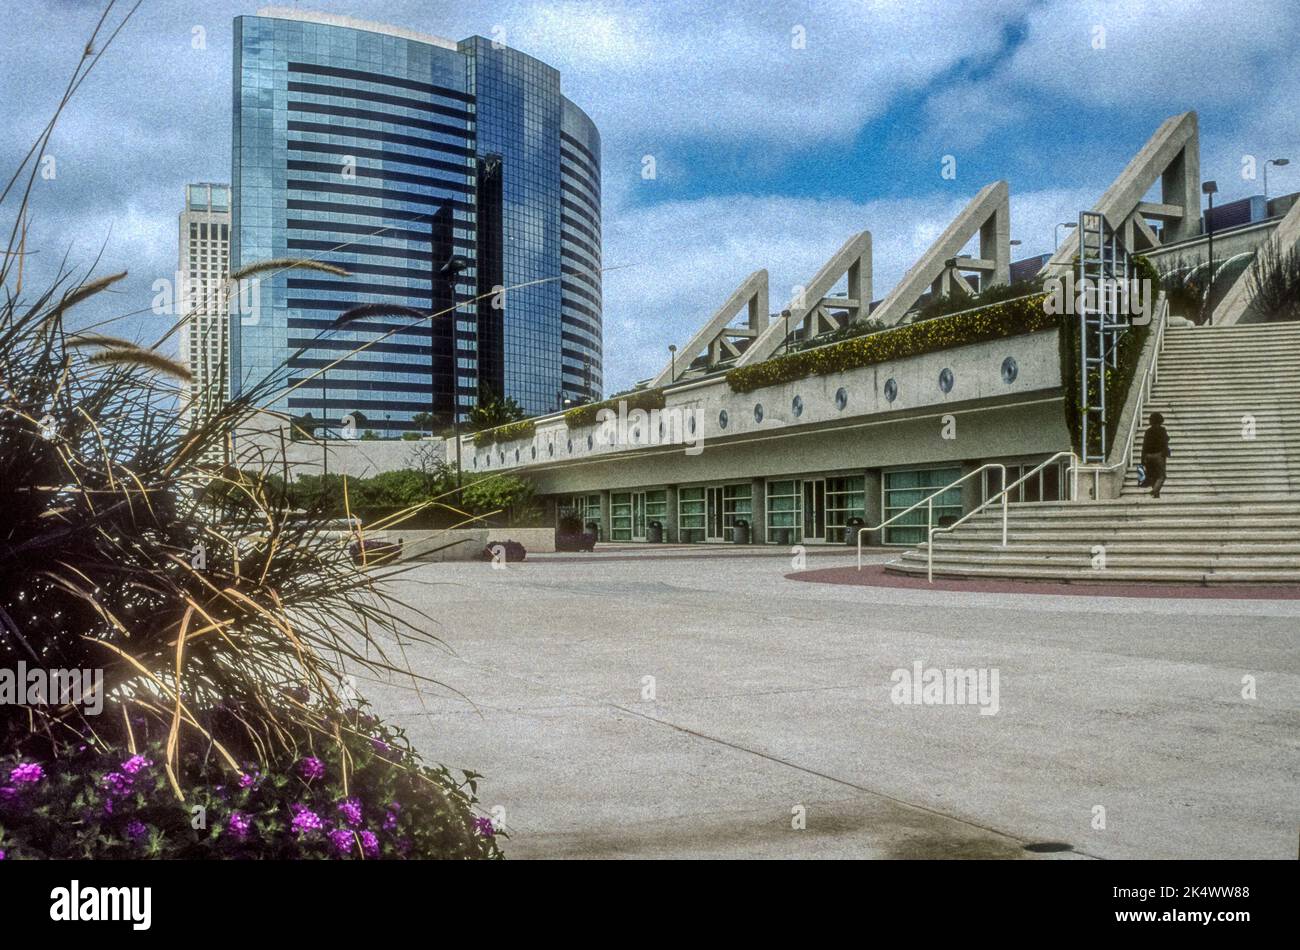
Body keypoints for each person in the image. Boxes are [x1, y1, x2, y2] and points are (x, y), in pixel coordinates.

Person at [1140, 411, 1171, 499]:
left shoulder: (1148, 431)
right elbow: (1165, 441)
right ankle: (1155, 490)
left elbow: (1144, 445)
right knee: (1162, 476)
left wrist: (1142, 459)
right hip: (1159, 456)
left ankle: (1156, 495)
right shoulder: (1162, 430)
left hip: (1148, 456)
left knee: (1153, 475)